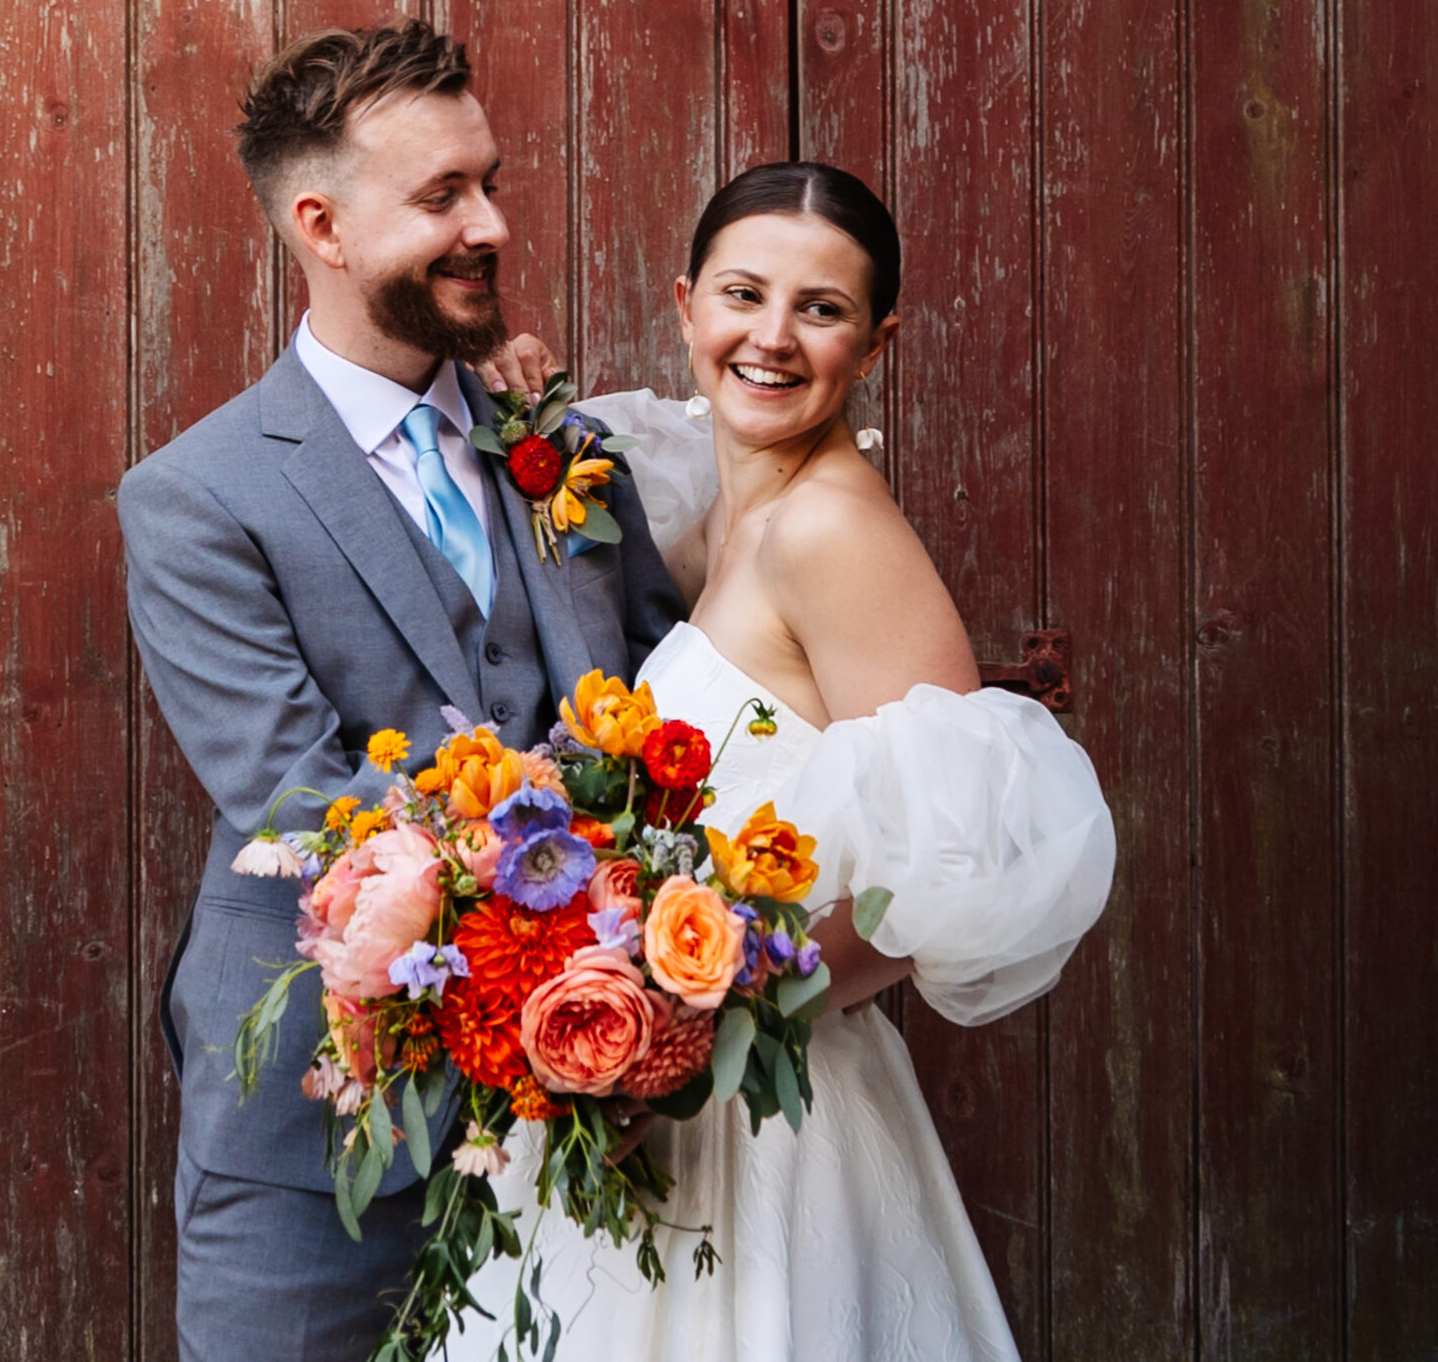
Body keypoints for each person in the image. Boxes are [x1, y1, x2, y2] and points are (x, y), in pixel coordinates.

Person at [447, 162, 1116, 1362]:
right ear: (685, 303)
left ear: (877, 340)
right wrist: (520, 414)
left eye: (821, 308)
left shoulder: (832, 532)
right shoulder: (719, 513)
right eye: (743, 295)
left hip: (760, 1116)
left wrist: (699, 1034)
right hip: (658, 1094)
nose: (770, 338)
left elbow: (943, 878)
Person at [117, 19, 685, 1362]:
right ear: (320, 221)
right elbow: (298, 792)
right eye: (442, 197)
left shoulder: (556, 445)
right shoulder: (198, 498)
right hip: (327, 1117)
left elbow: (674, 698)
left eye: (487, 180)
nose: (488, 222)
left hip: (586, 1100)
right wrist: (567, 896)